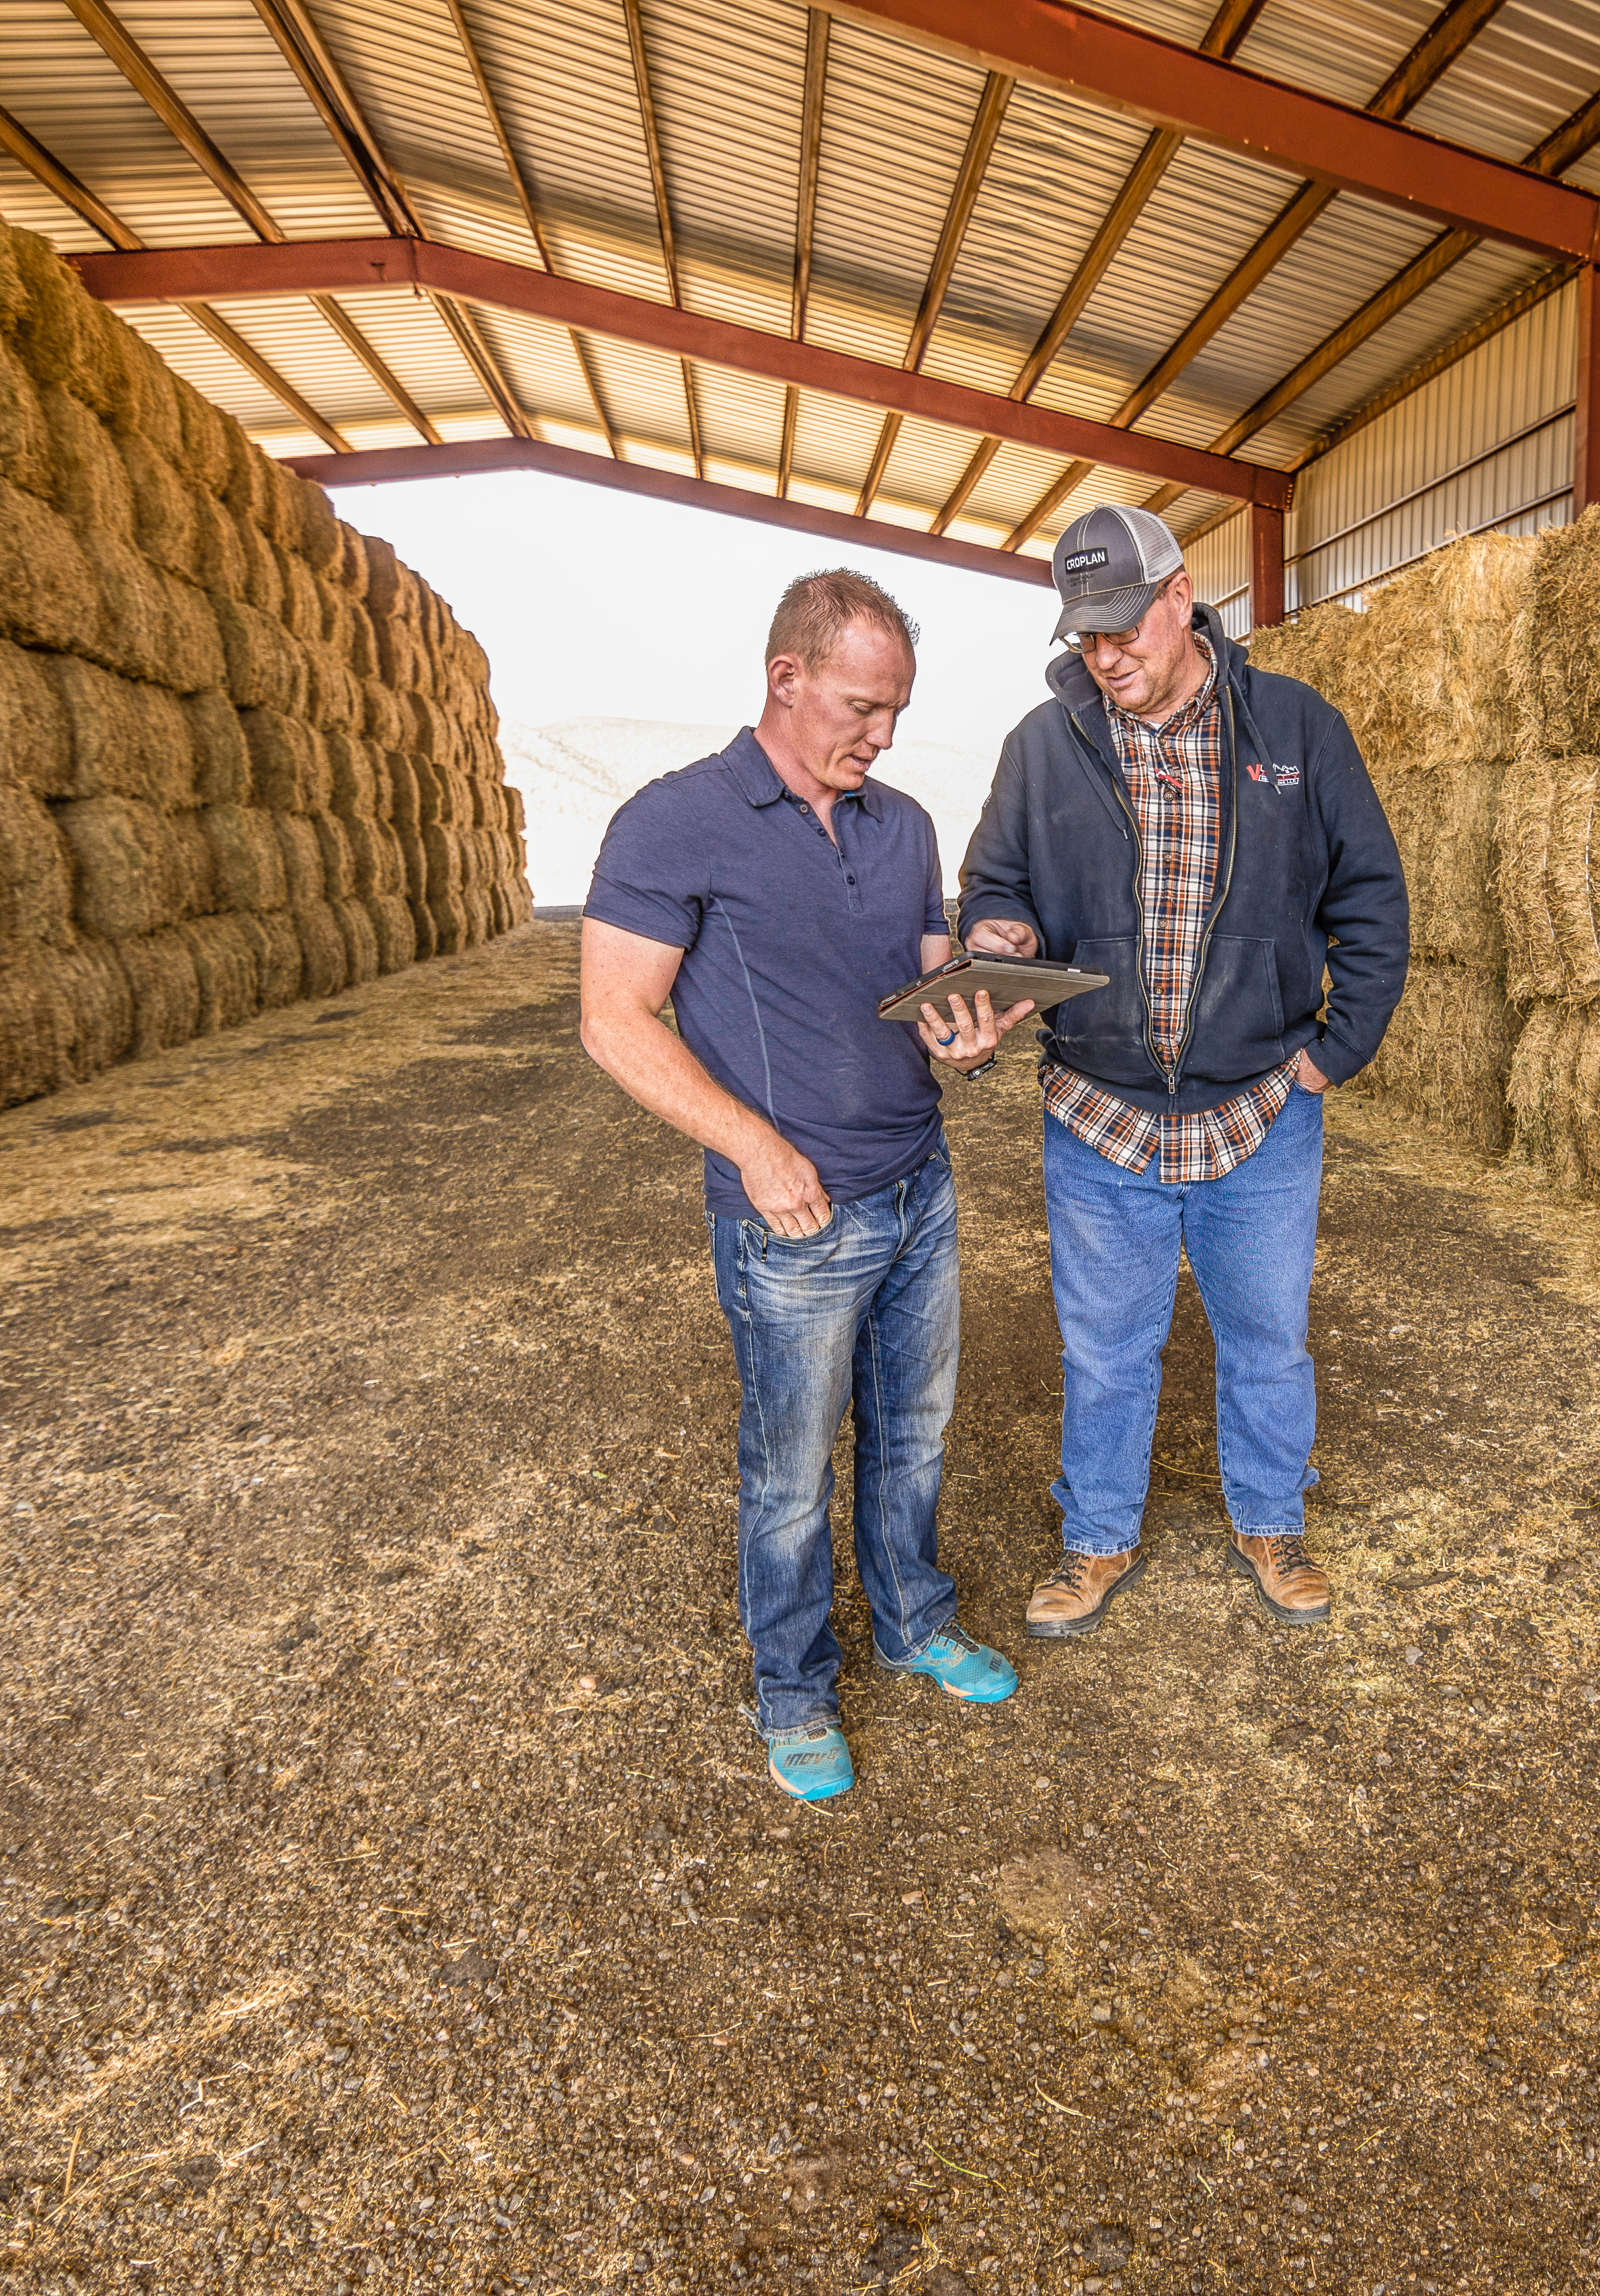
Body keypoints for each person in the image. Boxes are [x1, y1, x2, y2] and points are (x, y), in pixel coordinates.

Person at [578, 569, 1036, 1803]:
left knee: (916, 1432)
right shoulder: (676, 822)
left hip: (918, 1186)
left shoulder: (904, 825)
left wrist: (967, 1028)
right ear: (786, 677)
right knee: (791, 1475)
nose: (881, 735)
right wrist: (751, 1145)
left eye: (896, 711)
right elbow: (615, 1019)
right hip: (792, 1218)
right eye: (862, 705)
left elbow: (929, 972)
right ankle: (793, 1686)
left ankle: (914, 1620)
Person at [959, 505, 1408, 1640]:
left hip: (1260, 1109)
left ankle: (1270, 1517)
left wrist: (1331, 1051)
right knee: (1106, 1346)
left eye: (1122, 628)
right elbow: (992, 883)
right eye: (1084, 639)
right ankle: (1097, 1536)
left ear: (1180, 595)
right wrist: (1001, 934)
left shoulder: (1296, 728)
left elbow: (1373, 898)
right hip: (1098, 1110)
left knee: (1269, 1334)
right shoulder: (1041, 746)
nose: (1107, 658)